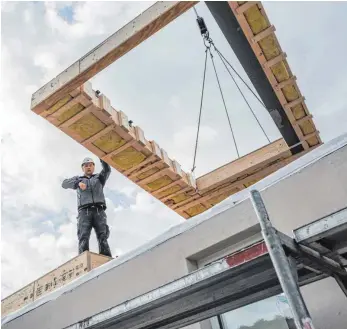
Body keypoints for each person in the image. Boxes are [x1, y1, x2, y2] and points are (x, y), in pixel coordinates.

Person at [62, 157, 112, 257]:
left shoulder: (99, 178)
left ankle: (106, 258)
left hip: (99, 210)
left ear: (94, 167)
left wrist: (102, 157)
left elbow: (107, 170)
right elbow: (64, 184)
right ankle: (83, 259)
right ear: (82, 168)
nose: (88, 167)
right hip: (84, 212)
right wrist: (77, 183)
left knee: (103, 236)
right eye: (86, 165)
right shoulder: (78, 179)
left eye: (90, 165)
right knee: (83, 236)